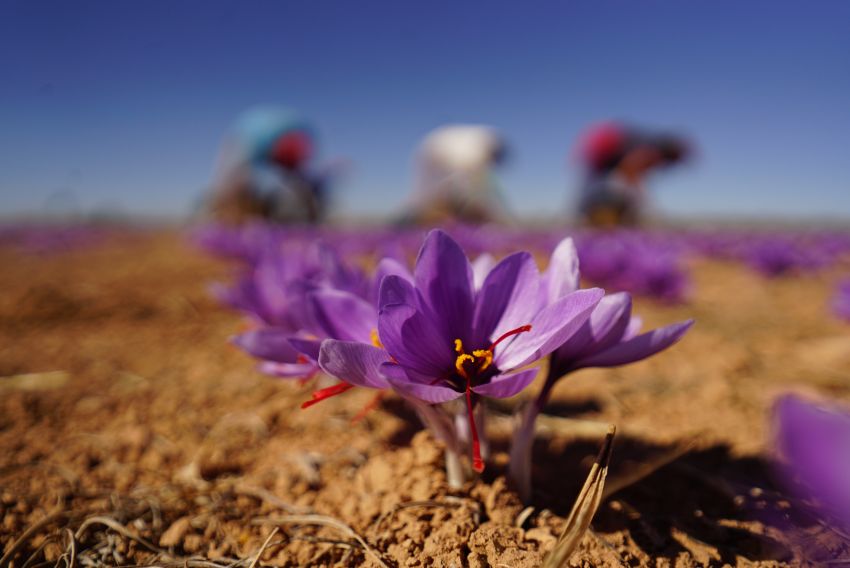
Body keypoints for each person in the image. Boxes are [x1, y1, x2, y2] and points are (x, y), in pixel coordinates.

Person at [206, 107, 330, 224]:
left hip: (280, 133)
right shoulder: (251, 140)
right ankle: (225, 218)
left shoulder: (304, 139)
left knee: (298, 185)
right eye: (286, 164)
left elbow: (303, 176)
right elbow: (230, 174)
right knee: (234, 183)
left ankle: (304, 219)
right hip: (245, 135)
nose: (285, 170)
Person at [574, 121, 689, 227]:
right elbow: (629, 170)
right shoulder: (650, 151)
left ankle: (588, 217)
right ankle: (588, 218)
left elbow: (631, 173)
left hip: (601, 151)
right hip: (602, 152)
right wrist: (644, 200)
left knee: (598, 189)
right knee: (602, 192)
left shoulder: (648, 145)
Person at [402, 124, 511, 225]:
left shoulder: (487, 139)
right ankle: (410, 223)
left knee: (436, 200)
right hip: (431, 155)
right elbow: (481, 184)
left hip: (435, 149)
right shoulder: (480, 148)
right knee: (426, 201)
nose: (492, 165)